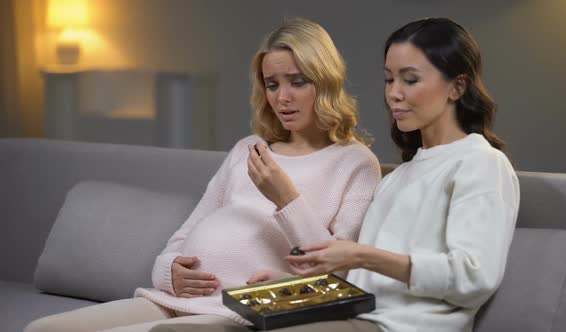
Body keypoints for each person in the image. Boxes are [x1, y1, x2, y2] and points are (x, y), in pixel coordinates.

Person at [149, 17, 520, 332]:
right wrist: (291, 288)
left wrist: (361, 254)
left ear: (457, 85)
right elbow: (359, 285)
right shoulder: (400, 177)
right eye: (389, 79)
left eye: (410, 79)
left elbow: (474, 278)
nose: (394, 93)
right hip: (358, 315)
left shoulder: (481, 163)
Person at [25, 17, 381, 332]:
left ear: (325, 81)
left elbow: (339, 273)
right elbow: (186, 233)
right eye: (272, 84)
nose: (282, 97)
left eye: (297, 81)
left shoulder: (355, 162)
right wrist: (168, 272)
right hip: (168, 300)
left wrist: (285, 197)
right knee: (44, 329)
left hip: (235, 310)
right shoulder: (248, 148)